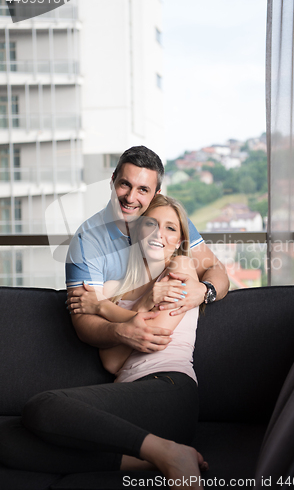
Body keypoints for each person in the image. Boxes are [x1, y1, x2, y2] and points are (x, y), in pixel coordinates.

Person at [17, 195, 208, 488]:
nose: (160, 234)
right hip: (129, 402)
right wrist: (139, 305)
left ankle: (168, 452)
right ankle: (148, 459)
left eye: (171, 228)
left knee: (44, 406)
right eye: (151, 224)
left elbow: (149, 337)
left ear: (180, 239)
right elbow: (112, 360)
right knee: (7, 437)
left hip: (169, 392)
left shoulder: (180, 275)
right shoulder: (115, 286)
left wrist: (103, 307)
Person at [66, 146, 229, 356]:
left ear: (156, 194)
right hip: (113, 356)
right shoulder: (87, 240)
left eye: (143, 189)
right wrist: (122, 332)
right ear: (112, 180)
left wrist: (206, 291)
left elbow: (216, 269)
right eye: (125, 184)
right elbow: (83, 321)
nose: (130, 197)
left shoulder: (170, 223)